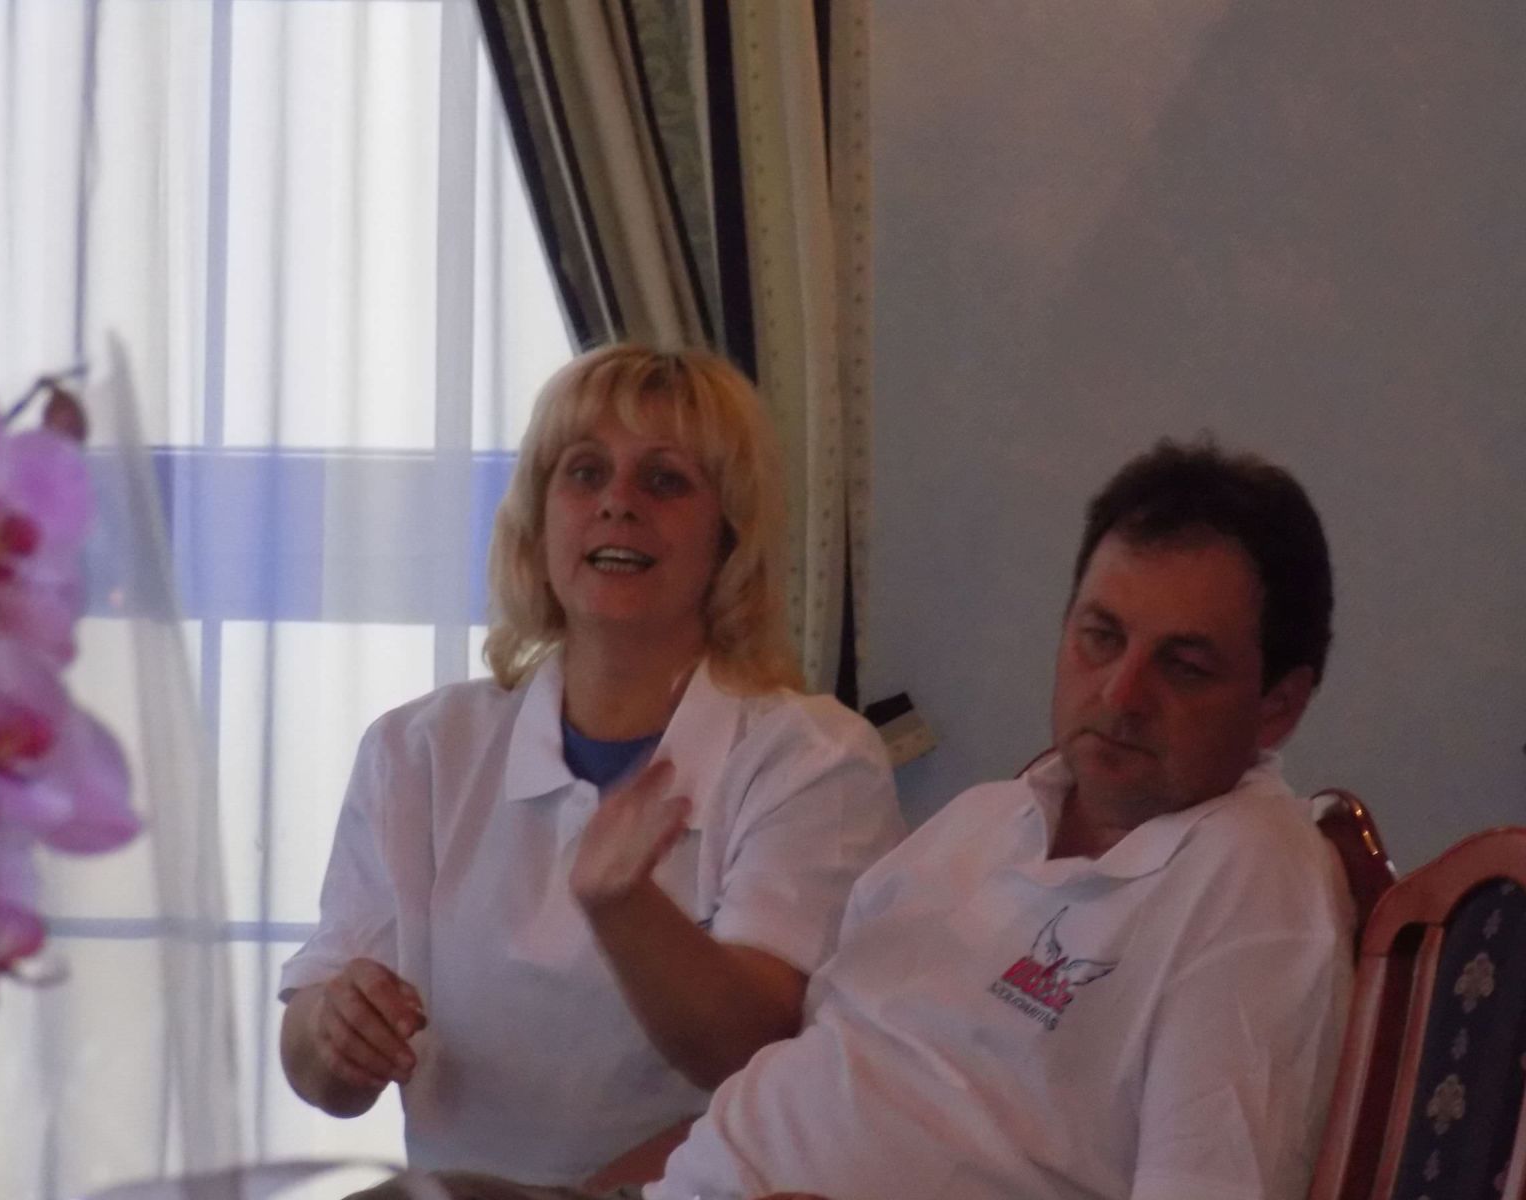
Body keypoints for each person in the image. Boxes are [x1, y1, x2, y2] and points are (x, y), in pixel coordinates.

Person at [363, 438, 1355, 1200]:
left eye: (1184, 666)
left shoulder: (1252, 884)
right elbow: (803, 1083)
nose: (1121, 694)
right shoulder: (983, 824)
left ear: (1278, 705)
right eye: (1100, 638)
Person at [278, 344, 903, 1185]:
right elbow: (316, 1068)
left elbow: (754, 1051)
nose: (617, 503)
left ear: (729, 536)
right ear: (538, 522)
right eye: (584, 472)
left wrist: (622, 905)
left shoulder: (814, 759)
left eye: (665, 481)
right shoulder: (417, 749)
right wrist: (333, 1032)